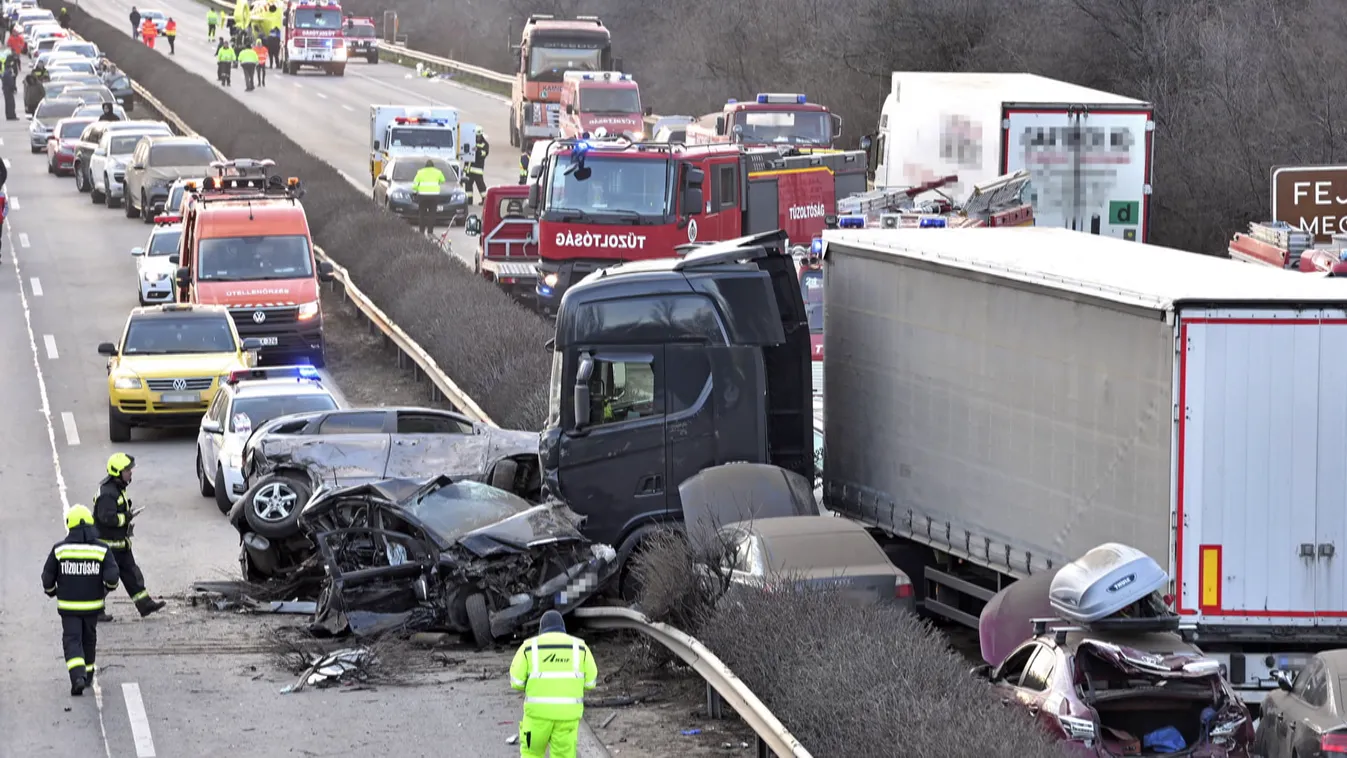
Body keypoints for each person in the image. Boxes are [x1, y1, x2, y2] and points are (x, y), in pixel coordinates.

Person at [43, 505, 119, 696]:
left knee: (72, 640)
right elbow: (112, 578)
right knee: (89, 639)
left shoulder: (60, 550)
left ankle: (77, 677)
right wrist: (105, 590)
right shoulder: (102, 549)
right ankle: (88, 674)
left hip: (68, 608)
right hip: (93, 607)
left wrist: (52, 591)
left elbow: (47, 578)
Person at [508, 610, 597, 758]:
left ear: (541, 629)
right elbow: (590, 682)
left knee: (532, 754)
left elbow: (516, 682)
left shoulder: (529, 647)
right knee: (563, 755)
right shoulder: (580, 647)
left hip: (537, 717)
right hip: (567, 717)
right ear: (563, 628)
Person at [92, 453, 167, 621]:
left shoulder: (117, 488)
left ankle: (145, 605)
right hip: (109, 547)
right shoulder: (107, 493)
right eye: (127, 470)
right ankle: (94, 610)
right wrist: (126, 517)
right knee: (108, 579)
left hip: (120, 544)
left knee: (132, 574)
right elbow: (107, 518)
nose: (131, 473)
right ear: (118, 471)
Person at [411, 158, 446, 236]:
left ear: (425, 166)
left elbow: (415, 184)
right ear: (433, 166)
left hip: (422, 195)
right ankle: (430, 231)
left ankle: (421, 231)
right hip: (434, 195)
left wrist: (415, 191)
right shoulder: (438, 172)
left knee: (422, 214)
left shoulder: (420, 172)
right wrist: (437, 182)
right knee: (432, 214)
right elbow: (443, 180)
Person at [464, 130, 489, 205]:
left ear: (481, 135)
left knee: (481, 186)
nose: (477, 138)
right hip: (469, 169)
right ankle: (469, 201)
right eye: (476, 136)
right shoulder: (470, 142)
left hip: (477, 170)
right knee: (468, 186)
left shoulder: (484, 144)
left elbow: (483, 153)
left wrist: (477, 150)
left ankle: (485, 200)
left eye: (479, 136)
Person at [2, 53, 17, 121]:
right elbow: (11, 82)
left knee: (8, 104)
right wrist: (14, 88)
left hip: (6, 90)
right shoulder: (8, 74)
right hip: (8, 91)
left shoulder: (5, 73)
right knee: (11, 104)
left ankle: (9, 115)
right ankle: (11, 116)